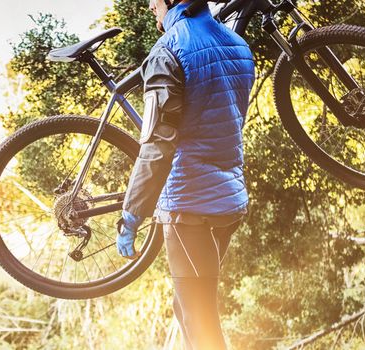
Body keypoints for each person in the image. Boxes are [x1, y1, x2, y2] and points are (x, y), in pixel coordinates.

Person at [116, 0, 255, 348]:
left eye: (155, 0)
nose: (151, 6)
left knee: (199, 318)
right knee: (190, 305)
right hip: (229, 201)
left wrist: (132, 215)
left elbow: (157, 146)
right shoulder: (237, 44)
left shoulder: (168, 52)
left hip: (189, 207)